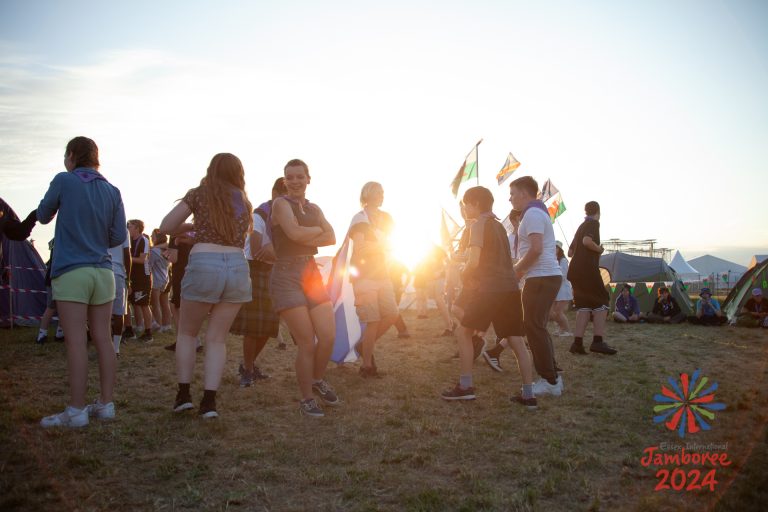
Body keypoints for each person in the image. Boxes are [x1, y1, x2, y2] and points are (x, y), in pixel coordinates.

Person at [36, 136, 126, 428]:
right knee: (102, 338)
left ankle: (76, 411)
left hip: (72, 271)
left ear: (72, 155)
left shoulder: (64, 180)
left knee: (76, 341)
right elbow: (116, 237)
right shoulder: (112, 190)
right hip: (104, 272)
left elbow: (42, 215)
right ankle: (106, 404)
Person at [159, 153, 253, 419]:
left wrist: (192, 225)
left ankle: (184, 395)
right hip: (236, 265)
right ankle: (209, 402)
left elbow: (167, 225)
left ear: (211, 170)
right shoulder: (243, 201)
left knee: (188, 334)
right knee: (217, 338)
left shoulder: (199, 194)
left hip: (204, 262)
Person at [441, 187, 533, 407]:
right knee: (517, 341)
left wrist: (463, 272)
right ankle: (529, 395)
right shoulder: (499, 226)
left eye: (466, 205)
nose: (465, 209)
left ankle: (465, 386)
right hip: (510, 288)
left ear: (474, 204)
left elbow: (473, 262)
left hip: (489, 289)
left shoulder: (478, 225)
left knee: (463, 332)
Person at [270, 159, 339, 417]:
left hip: (311, 272)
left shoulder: (314, 208)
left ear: (308, 179)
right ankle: (306, 398)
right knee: (307, 342)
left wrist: (303, 231)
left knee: (328, 336)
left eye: (300, 176)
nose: (296, 181)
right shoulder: (280, 204)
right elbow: (294, 235)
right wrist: (315, 232)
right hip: (286, 275)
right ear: (285, 181)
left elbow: (332, 237)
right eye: (290, 177)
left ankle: (317, 379)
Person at [509, 176, 564, 398]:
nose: (510, 198)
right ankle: (553, 375)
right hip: (544, 276)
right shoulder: (537, 213)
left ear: (524, 193)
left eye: (512, 194)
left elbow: (536, 249)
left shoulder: (531, 214)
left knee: (533, 327)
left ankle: (550, 380)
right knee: (537, 326)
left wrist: (516, 271)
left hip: (540, 277)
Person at [232, 177, 287, 387]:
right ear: (274, 193)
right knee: (254, 327)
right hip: (255, 269)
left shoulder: (285, 217)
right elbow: (257, 251)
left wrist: (277, 254)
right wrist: (281, 254)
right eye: (282, 196)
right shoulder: (260, 214)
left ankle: (249, 365)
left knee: (269, 326)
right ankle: (247, 370)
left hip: (273, 270)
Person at [348, 182, 398, 378]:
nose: (381, 196)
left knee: (392, 314)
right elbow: (360, 250)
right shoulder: (359, 218)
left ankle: (363, 346)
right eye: (378, 192)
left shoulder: (386, 218)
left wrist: (376, 245)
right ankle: (367, 366)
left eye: (383, 192)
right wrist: (380, 245)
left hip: (382, 273)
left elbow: (392, 244)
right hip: (363, 275)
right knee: (373, 320)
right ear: (367, 194)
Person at [567, 201, 617, 355]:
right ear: (598, 212)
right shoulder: (594, 224)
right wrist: (599, 249)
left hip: (575, 271)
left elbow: (569, 252)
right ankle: (598, 341)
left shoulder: (580, 226)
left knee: (584, 305)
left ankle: (577, 344)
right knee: (602, 300)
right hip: (587, 270)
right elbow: (587, 242)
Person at [126, 219, 153, 342]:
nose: (128, 228)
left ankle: (148, 333)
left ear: (137, 228)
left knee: (143, 304)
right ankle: (130, 329)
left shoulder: (144, 240)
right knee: (129, 303)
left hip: (143, 277)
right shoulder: (129, 240)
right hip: (132, 277)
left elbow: (142, 260)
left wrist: (126, 257)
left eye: (130, 226)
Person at [107, 228, 131, 356]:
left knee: (101, 312)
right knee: (118, 313)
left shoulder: (98, 224)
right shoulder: (124, 230)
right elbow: (127, 255)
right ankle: (115, 348)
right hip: (118, 272)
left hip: (101, 269)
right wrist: (129, 278)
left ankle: (105, 346)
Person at [149, 229, 172, 332]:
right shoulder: (167, 250)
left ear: (157, 238)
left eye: (152, 235)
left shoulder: (154, 251)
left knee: (156, 304)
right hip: (166, 278)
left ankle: (158, 325)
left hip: (156, 279)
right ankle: (167, 325)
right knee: (165, 303)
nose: (151, 237)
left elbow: (149, 265)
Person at [551, 241, 573, 335]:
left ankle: (567, 330)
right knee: (553, 312)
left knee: (558, 311)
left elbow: (564, 275)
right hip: (555, 289)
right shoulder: (552, 259)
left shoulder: (563, 260)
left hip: (563, 290)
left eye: (556, 248)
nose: (554, 249)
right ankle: (561, 329)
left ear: (559, 250)